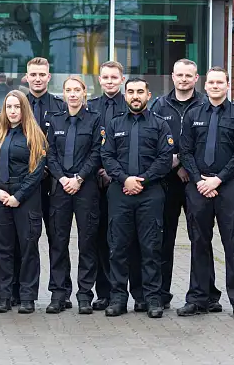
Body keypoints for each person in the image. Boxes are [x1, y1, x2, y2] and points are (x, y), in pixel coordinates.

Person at [177, 67, 234, 319]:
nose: (215, 86)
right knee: (199, 243)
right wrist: (200, 180)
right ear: (205, 85)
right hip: (198, 187)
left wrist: (218, 180)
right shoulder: (193, 113)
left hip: (229, 186)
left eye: (220, 82)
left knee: (233, 244)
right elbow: (185, 150)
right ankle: (198, 298)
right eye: (211, 82)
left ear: (228, 85)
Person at [100, 77, 173, 319]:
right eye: (130, 91)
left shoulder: (160, 124)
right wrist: (124, 179)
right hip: (119, 192)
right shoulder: (113, 124)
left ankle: (152, 299)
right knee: (118, 247)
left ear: (148, 95)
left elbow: (165, 158)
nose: (135, 96)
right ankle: (118, 298)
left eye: (140, 92)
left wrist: (142, 180)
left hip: (150, 193)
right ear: (125, 95)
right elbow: (106, 155)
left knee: (151, 247)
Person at [151, 59, 218, 311]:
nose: (183, 79)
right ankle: (161, 293)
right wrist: (175, 165)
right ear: (172, 76)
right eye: (179, 75)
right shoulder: (159, 105)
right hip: (166, 181)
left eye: (188, 75)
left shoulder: (205, 104)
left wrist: (187, 167)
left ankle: (208, 294)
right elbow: (155, 141)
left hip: (197, 180)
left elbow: (208, 144)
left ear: (196, 78)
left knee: (201, 238)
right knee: (163, 239)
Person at [88, 61, 143, 311]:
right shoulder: (91, 107)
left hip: (121, 182)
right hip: (94, 181)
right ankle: (105, 292)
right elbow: (89, 144)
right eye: (105, 77)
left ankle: (135, 291)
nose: (110, 81)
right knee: (101, 237)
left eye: (114, 77)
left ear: (122, 80)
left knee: (127, 239)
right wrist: (98, 169)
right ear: (99, 80)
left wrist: (114, 173)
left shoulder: (132, 103)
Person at [45, 76, 102, 314]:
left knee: (87, 242)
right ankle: (59, 294)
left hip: (85, 188)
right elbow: (49, 154)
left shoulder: (94, 119)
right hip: (60, 188)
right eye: (68, 90)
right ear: (64, 93)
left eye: (77, 90)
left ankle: (85, 295)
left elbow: (97, 152)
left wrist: (78, 178)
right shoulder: (55, 120)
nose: (73, 94)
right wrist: (62, 178)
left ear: (84, 93)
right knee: (58, 242)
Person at [0, 90, 46, 315]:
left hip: (26, 200)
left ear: (24, 109)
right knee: (3, 250)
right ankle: (4, 296)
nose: (13, 111)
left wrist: (18, 196)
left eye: (17, 107)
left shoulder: (34, 135)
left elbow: (37, 171)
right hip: (1, 199)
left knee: (28, 248)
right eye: (9, 107)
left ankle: (27, 297)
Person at [24, 57, 66, 306]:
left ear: (49, 77)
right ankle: (22, 292)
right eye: (33, 74)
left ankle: (59, 293)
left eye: (42, 74)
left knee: (57, 240)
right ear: (26, 77)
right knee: (26, 240)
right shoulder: (17, 105)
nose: (37, 78)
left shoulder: (59, 107)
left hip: (52, 182)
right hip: (25, 184)